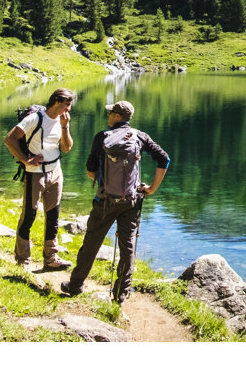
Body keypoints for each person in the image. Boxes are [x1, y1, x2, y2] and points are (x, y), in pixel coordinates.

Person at [60, 100, 169, 304]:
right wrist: (152, 188)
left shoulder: (102, 137)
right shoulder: (140, 136)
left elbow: (90, 169)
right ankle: (121, 293)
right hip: (132, 200)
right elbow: (164, 159)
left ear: (118, 117)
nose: (109, 116)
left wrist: (105, 182)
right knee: (127, 246)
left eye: (111, 113)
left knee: (91, 243)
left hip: (105, 201)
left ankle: (75, 285)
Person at [3, 87, 75, 270]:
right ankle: (22, 260)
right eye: (67, 105)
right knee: (29, 215)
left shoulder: (62, 120)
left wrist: (65, 126)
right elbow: (10, 139)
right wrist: (26, 159)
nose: (69, 110)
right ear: (57, 102)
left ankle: (51, 258)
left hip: (56, 172)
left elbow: (66, 148)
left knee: (53, 216)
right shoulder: (35, 118)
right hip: (34, 174)